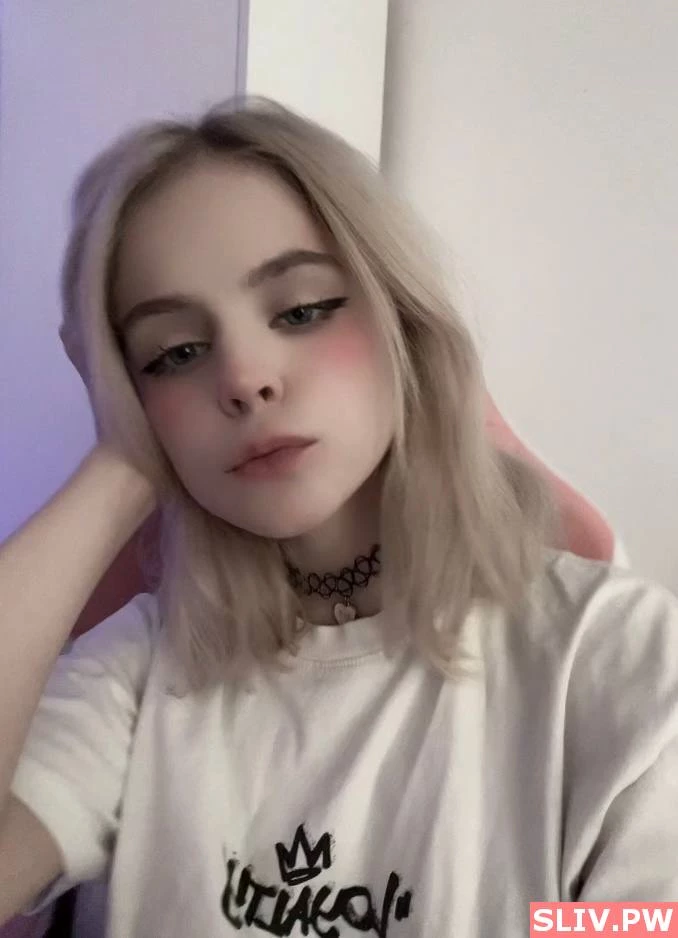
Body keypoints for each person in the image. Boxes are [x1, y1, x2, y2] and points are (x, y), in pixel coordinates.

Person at [1, 96, 677, 938]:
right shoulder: (138, 674)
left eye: (302, 310)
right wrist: (119, 466)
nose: (244, 378)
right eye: (175, 353)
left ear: (403, 319)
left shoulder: (614, 659)